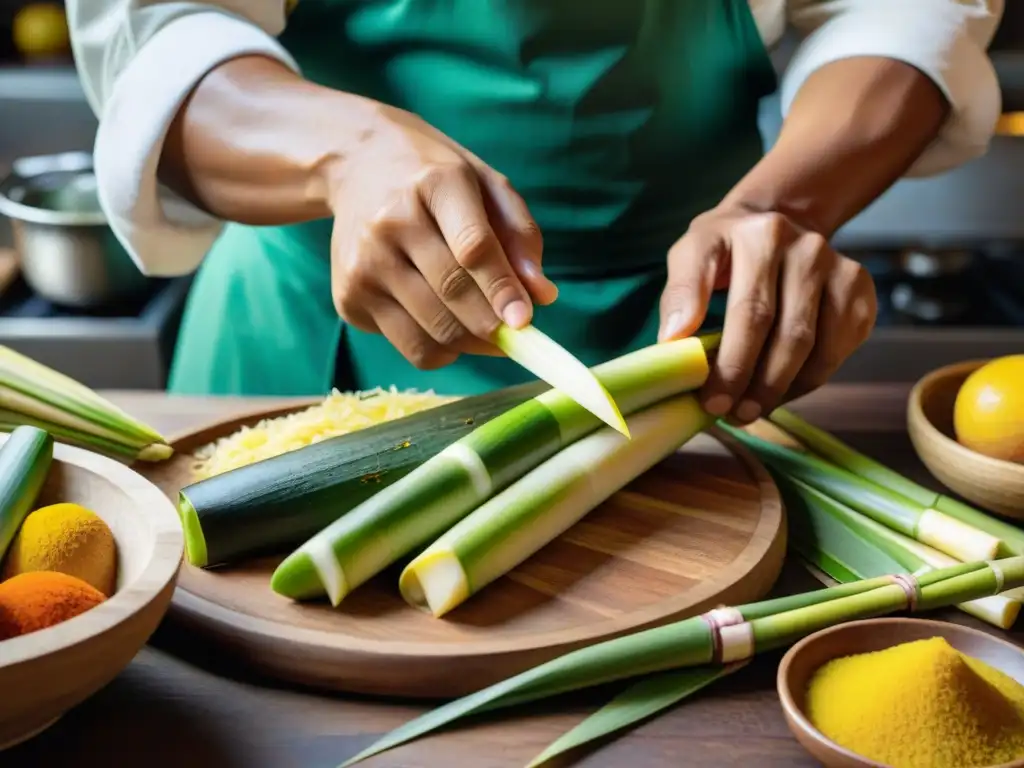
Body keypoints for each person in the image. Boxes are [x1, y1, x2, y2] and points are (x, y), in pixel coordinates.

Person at [67, 1, 1003, 425]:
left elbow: (899, 10)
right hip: (305, 330)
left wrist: (786, 205)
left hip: (694, 335)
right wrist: (347, 156)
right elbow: (158, 30)